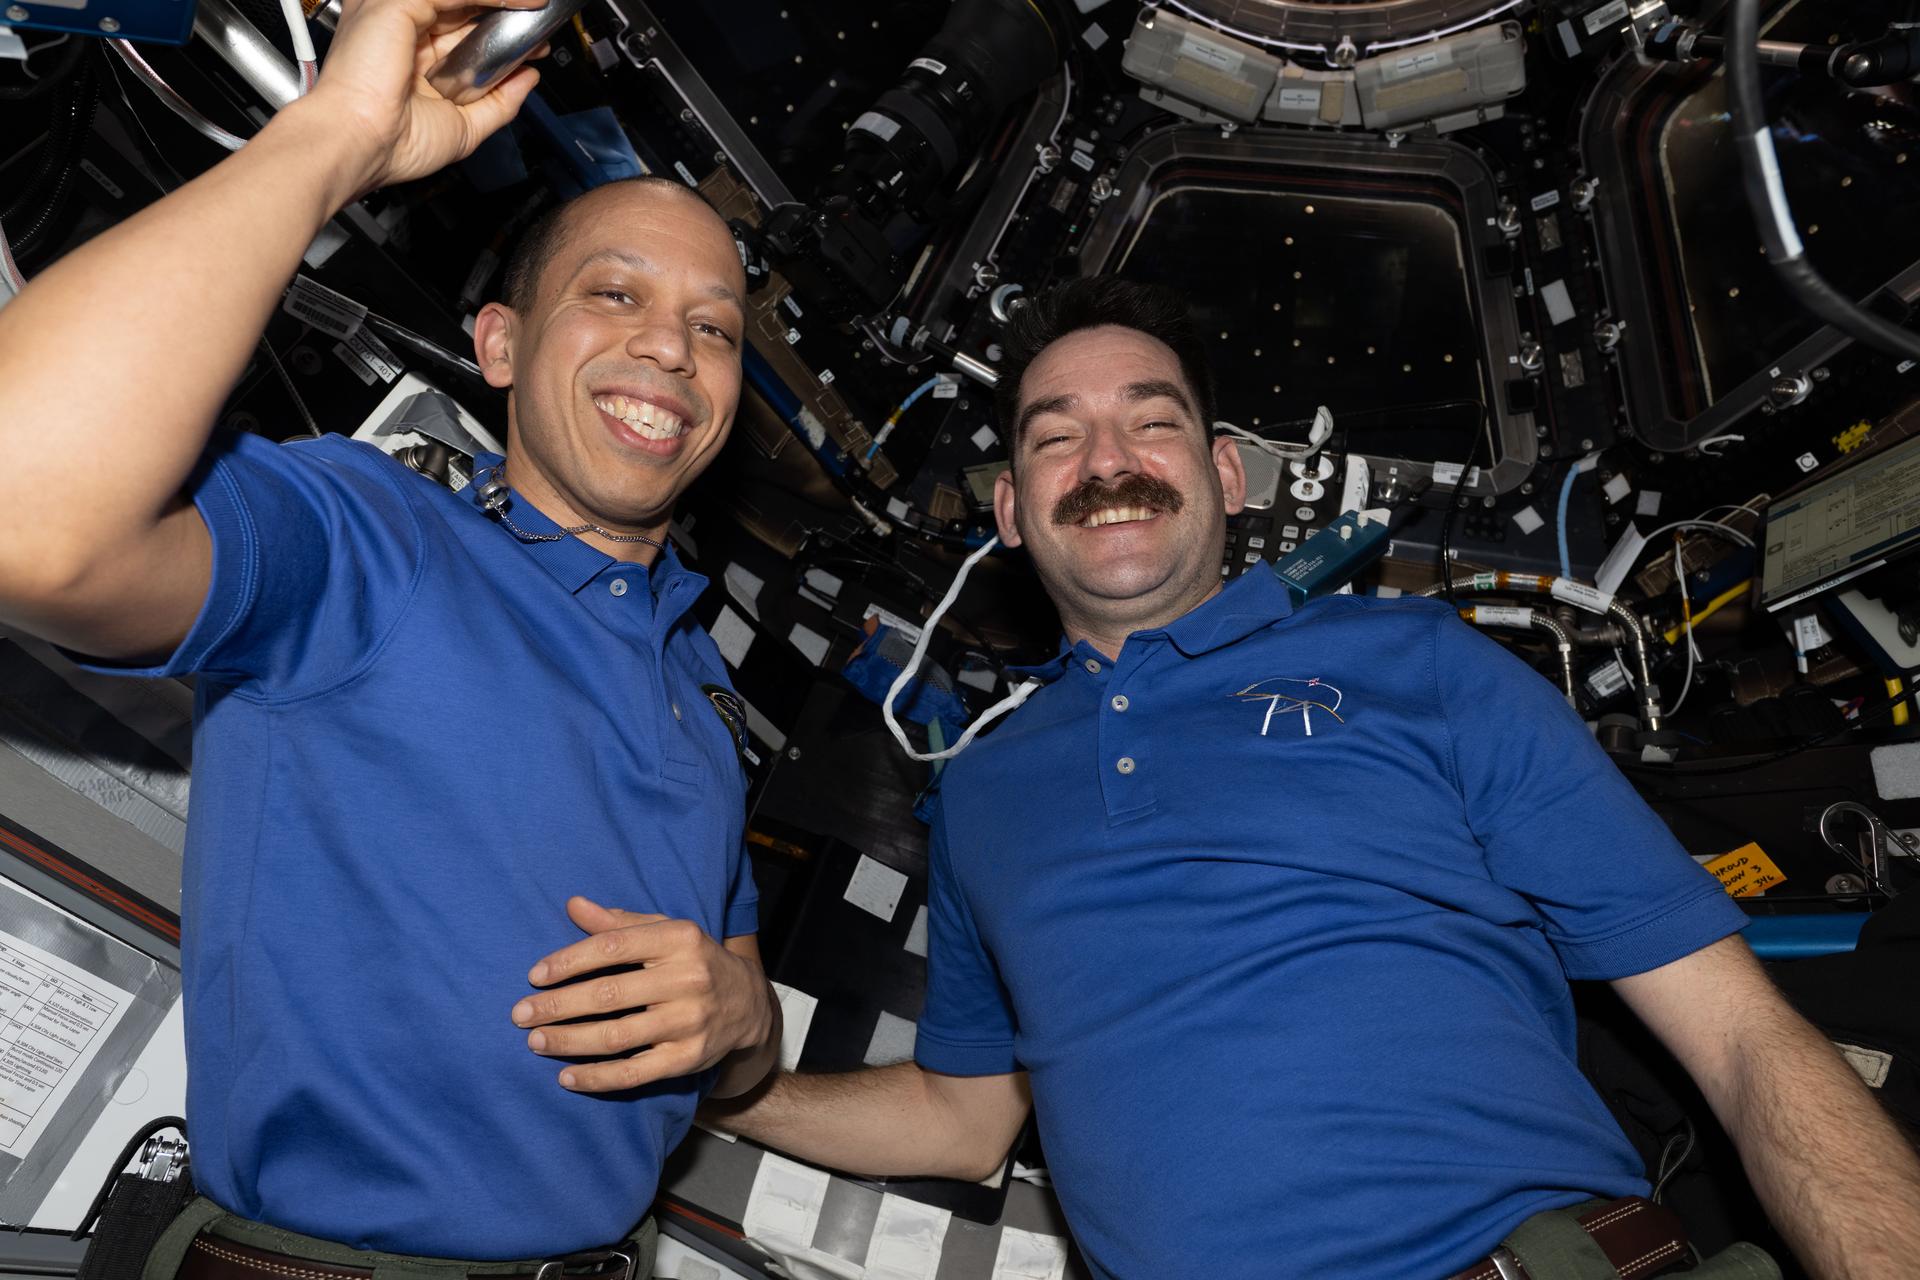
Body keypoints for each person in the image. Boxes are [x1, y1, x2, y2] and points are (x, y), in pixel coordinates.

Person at [623, 277, 1914, 1278]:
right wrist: (729, 1091)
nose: (1108, 460)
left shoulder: (1423, 665)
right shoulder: (982, 795)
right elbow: (964, 1123)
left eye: (1153, 420)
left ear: (1228, 476)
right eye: (1056, 437)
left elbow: (1745, 1040)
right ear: (1011, 511)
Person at [0, 0, 778, 1272]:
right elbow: (24, 511)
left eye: (715, 327)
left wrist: (742, 1013)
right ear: (500, 345)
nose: (669, 347)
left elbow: (736, 1027)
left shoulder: (702, 693)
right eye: (615, 292)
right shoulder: (376, 537)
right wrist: (338, 133)